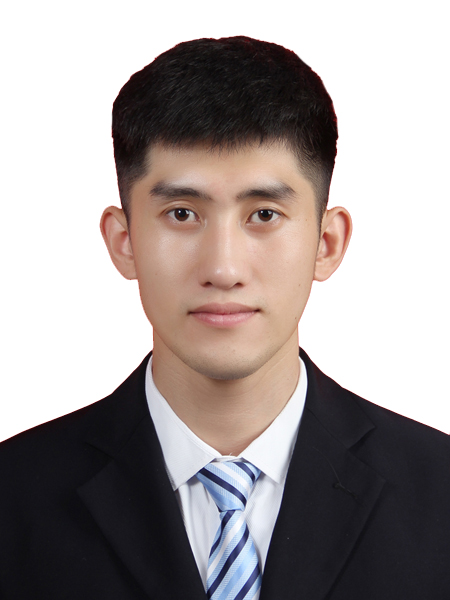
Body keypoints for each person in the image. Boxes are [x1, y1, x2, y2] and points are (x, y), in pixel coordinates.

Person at [0, 36, 449, 600]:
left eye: (264, 214)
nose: (223, 268)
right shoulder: (13, 497)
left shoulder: (439, 495)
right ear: (124, 241)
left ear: (327, 243)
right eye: (181, 213)